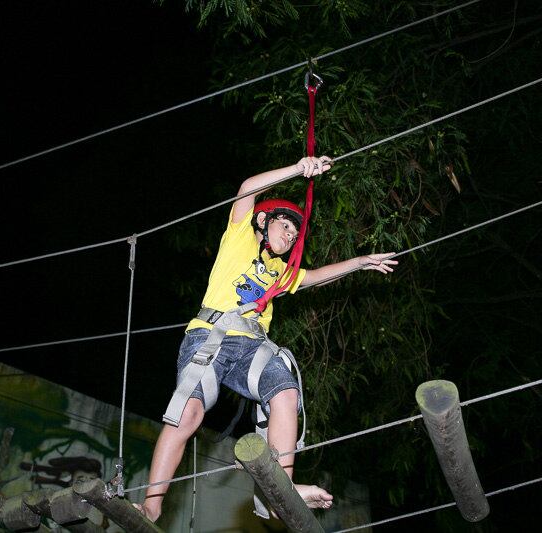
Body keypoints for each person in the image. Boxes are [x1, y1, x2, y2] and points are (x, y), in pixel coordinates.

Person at [137, 156, 398, 522]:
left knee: (286, 392)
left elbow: (312, 277)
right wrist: (298, 169)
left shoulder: (279, 271)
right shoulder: (240, 236)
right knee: (189, 413)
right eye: (284, 226)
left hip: (251, 348)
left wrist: (360, 262)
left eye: (295, 234)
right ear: (263, 220)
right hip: (211, 336)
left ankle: (281, 492)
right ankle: (152, 504)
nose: (290, 236)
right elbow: (247, 188)